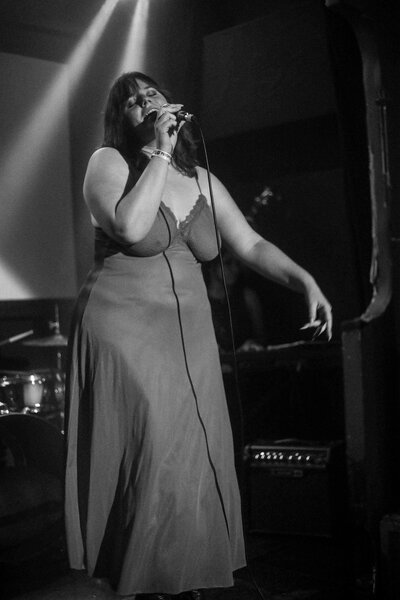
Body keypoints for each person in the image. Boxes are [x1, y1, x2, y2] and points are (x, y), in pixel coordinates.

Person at [64, 71, 332, 599]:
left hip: (188, 338)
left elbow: (249, 245)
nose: (145, 102)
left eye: (152, 93)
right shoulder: (109, 163)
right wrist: (160, 155)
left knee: (190, 455)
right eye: (132, 101)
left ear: (172, 104)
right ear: (123, 119)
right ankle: (147, 583)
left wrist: (306, 279)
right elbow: (131, 229)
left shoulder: (203, 177)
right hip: (123, 331)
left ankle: (183, 581)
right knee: (153, 455)